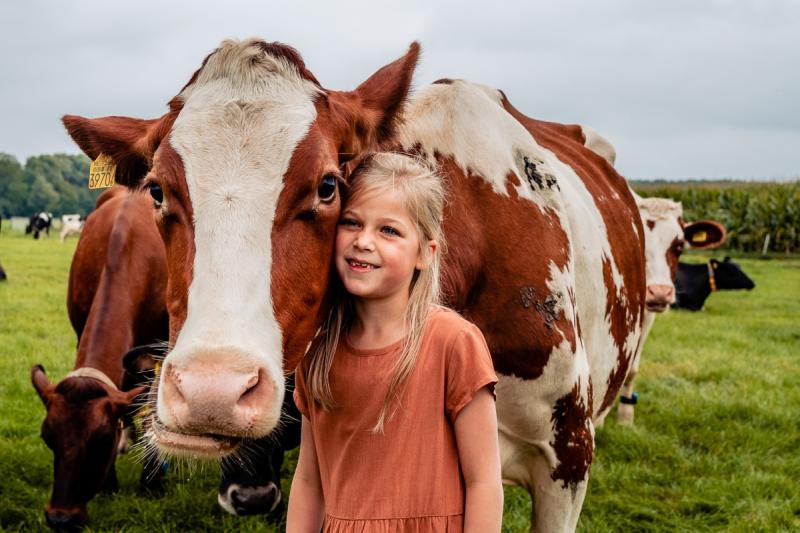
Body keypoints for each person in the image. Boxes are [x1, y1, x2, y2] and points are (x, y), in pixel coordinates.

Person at [287, 152, 503, 532]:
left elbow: (484, 481)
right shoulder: (319, 354)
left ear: (424, 252)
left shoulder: (453, 344)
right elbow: (309, 481)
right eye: (352, 223)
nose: (364, 242)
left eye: (389, 230)